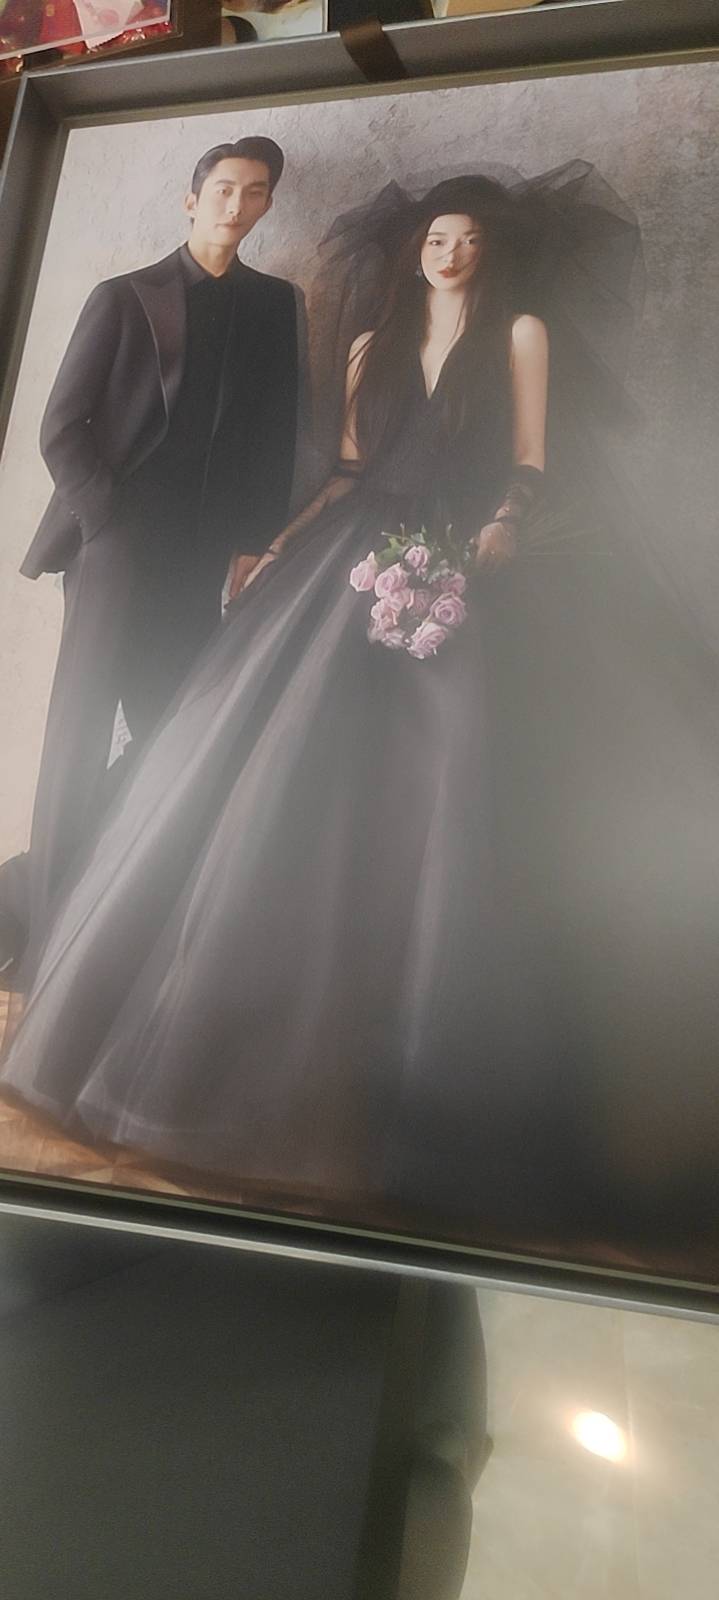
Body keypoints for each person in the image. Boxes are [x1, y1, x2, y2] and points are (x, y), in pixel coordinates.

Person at [3, 173, 719, 1256]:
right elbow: (343, 470)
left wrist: (503, 525)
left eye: (466, 238)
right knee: (277, 773)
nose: (449, 252)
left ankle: (448, 1099)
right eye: (435, 237)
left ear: (488, 250)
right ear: (413, 249)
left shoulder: (518, 332)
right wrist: (279, 548)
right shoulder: (369, 345)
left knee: (463, 778)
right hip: (355, 552)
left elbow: (531, 459)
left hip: (477, 555)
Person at [0, 136, 306, 984]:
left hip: (204, 556)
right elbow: (61, 429)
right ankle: (43, 938)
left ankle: (75, 898)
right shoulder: (125, 296)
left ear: (267, 204)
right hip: (117, 547)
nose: (236, 205)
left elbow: (275, 438)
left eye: (253, 192)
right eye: (222, 189)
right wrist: (108, 523)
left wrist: (252, 542)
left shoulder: (275, 305)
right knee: (80, 732)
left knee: (181, 731)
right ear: (191, 198)